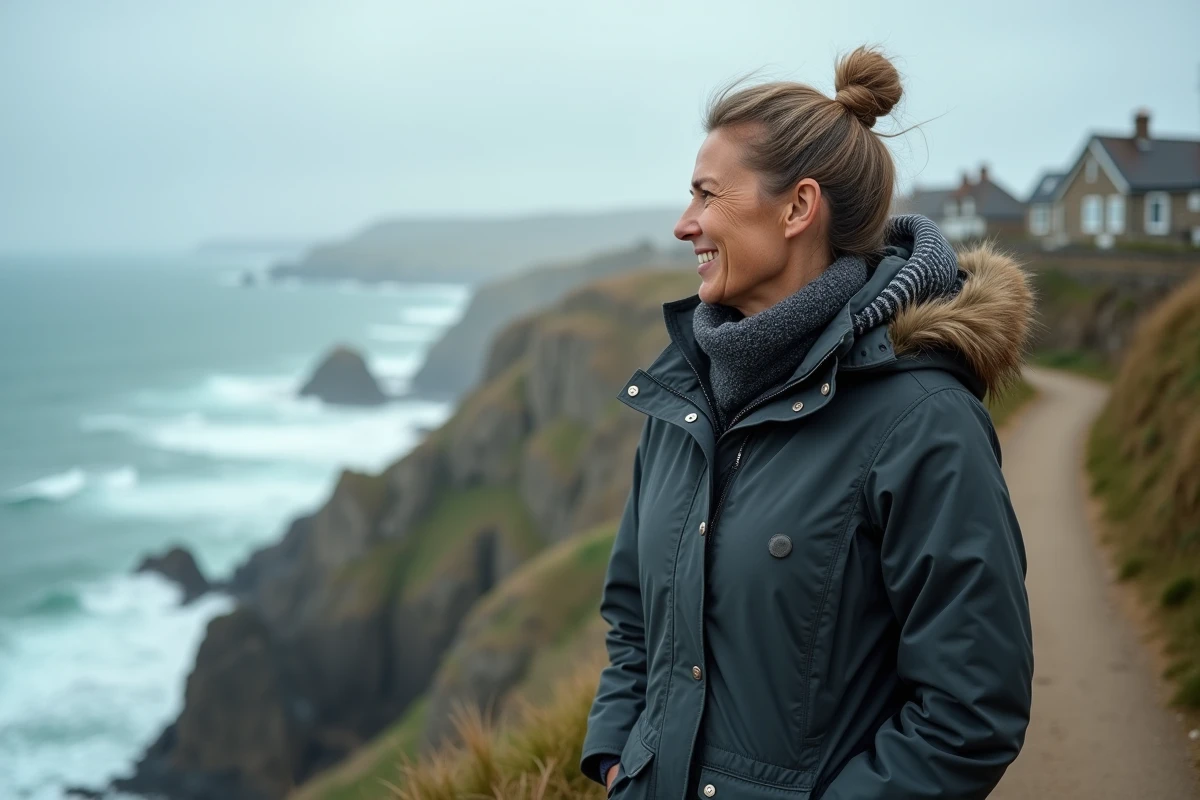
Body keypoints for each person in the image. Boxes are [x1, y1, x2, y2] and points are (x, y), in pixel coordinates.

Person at [580, 45, 1034, 800]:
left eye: (705, 195)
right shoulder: (680, 397)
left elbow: (972, 709)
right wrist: (620, 762)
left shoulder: (924, 421)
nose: (683, 225)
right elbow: (633, 615)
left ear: (797, 208)